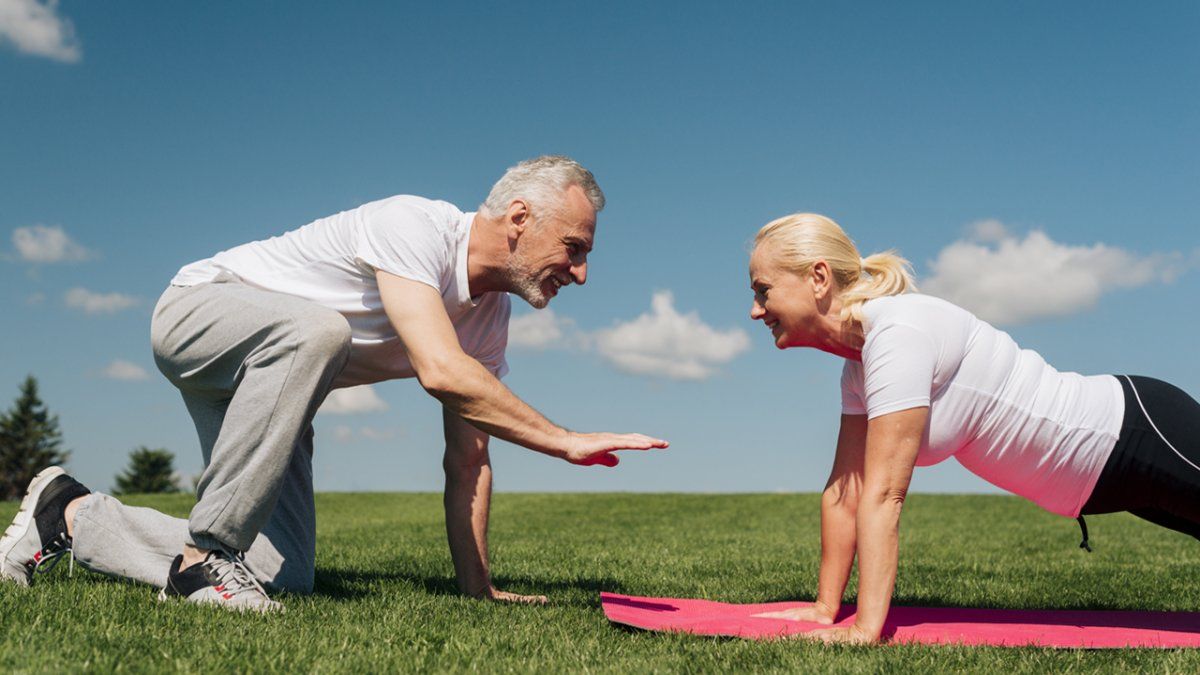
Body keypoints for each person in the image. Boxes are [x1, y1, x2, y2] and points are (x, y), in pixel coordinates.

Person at [0, 155, 668, 612]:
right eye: (574, 248)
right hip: (197, 313)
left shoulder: (488, 319)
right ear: (520, 218)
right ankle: (205, 558)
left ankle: (70, 514)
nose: (580, 272)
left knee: (283, 574)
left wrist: (477, 589)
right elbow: (441, 371)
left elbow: (468, 461)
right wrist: (563, 440)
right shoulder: (416, 227)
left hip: (272, 388)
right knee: (322, 331)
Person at [745, 213, 1200, 644]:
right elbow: (846, 489)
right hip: (1104, 479)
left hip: (1133, 433)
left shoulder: (897, 335)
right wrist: (825, 608)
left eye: (763, 291)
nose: (755, 310)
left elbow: (884, 494)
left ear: (818, 277)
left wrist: (865, 628)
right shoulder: (859, 370)